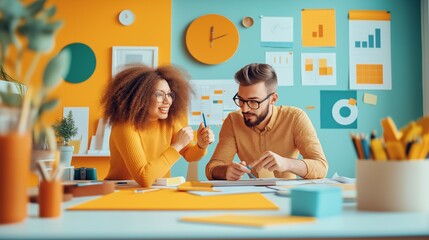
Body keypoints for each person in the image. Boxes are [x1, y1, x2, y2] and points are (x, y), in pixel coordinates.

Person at [205, 63, 327, 180]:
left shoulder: (295, 117)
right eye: (241, 100)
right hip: (252, 195)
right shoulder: (233, 120)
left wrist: (287, 164)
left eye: (253, 101)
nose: (244, 108)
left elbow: (321, 167)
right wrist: (226, 171)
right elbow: (212, 167)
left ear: (273, 99)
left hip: (287, 194)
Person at [101, 64, 214, 187]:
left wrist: (201, 145)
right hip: (121, 192)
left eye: (169, 94)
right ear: (139, 98)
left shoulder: (169, 122)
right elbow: (144, 177)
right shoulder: (124, 127)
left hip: (157, 191)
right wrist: (178, 145)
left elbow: (190, 154)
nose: (168, 101)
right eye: (159, 94)